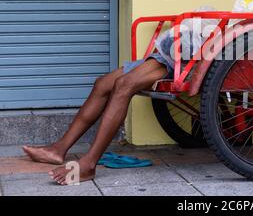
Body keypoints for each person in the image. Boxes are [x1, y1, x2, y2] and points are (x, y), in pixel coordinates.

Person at [23, 44, 175, 186]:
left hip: (184, 60)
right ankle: (58, 149)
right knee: (102, 83)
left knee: (123, 85)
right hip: (166, 55)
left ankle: (88, 164)